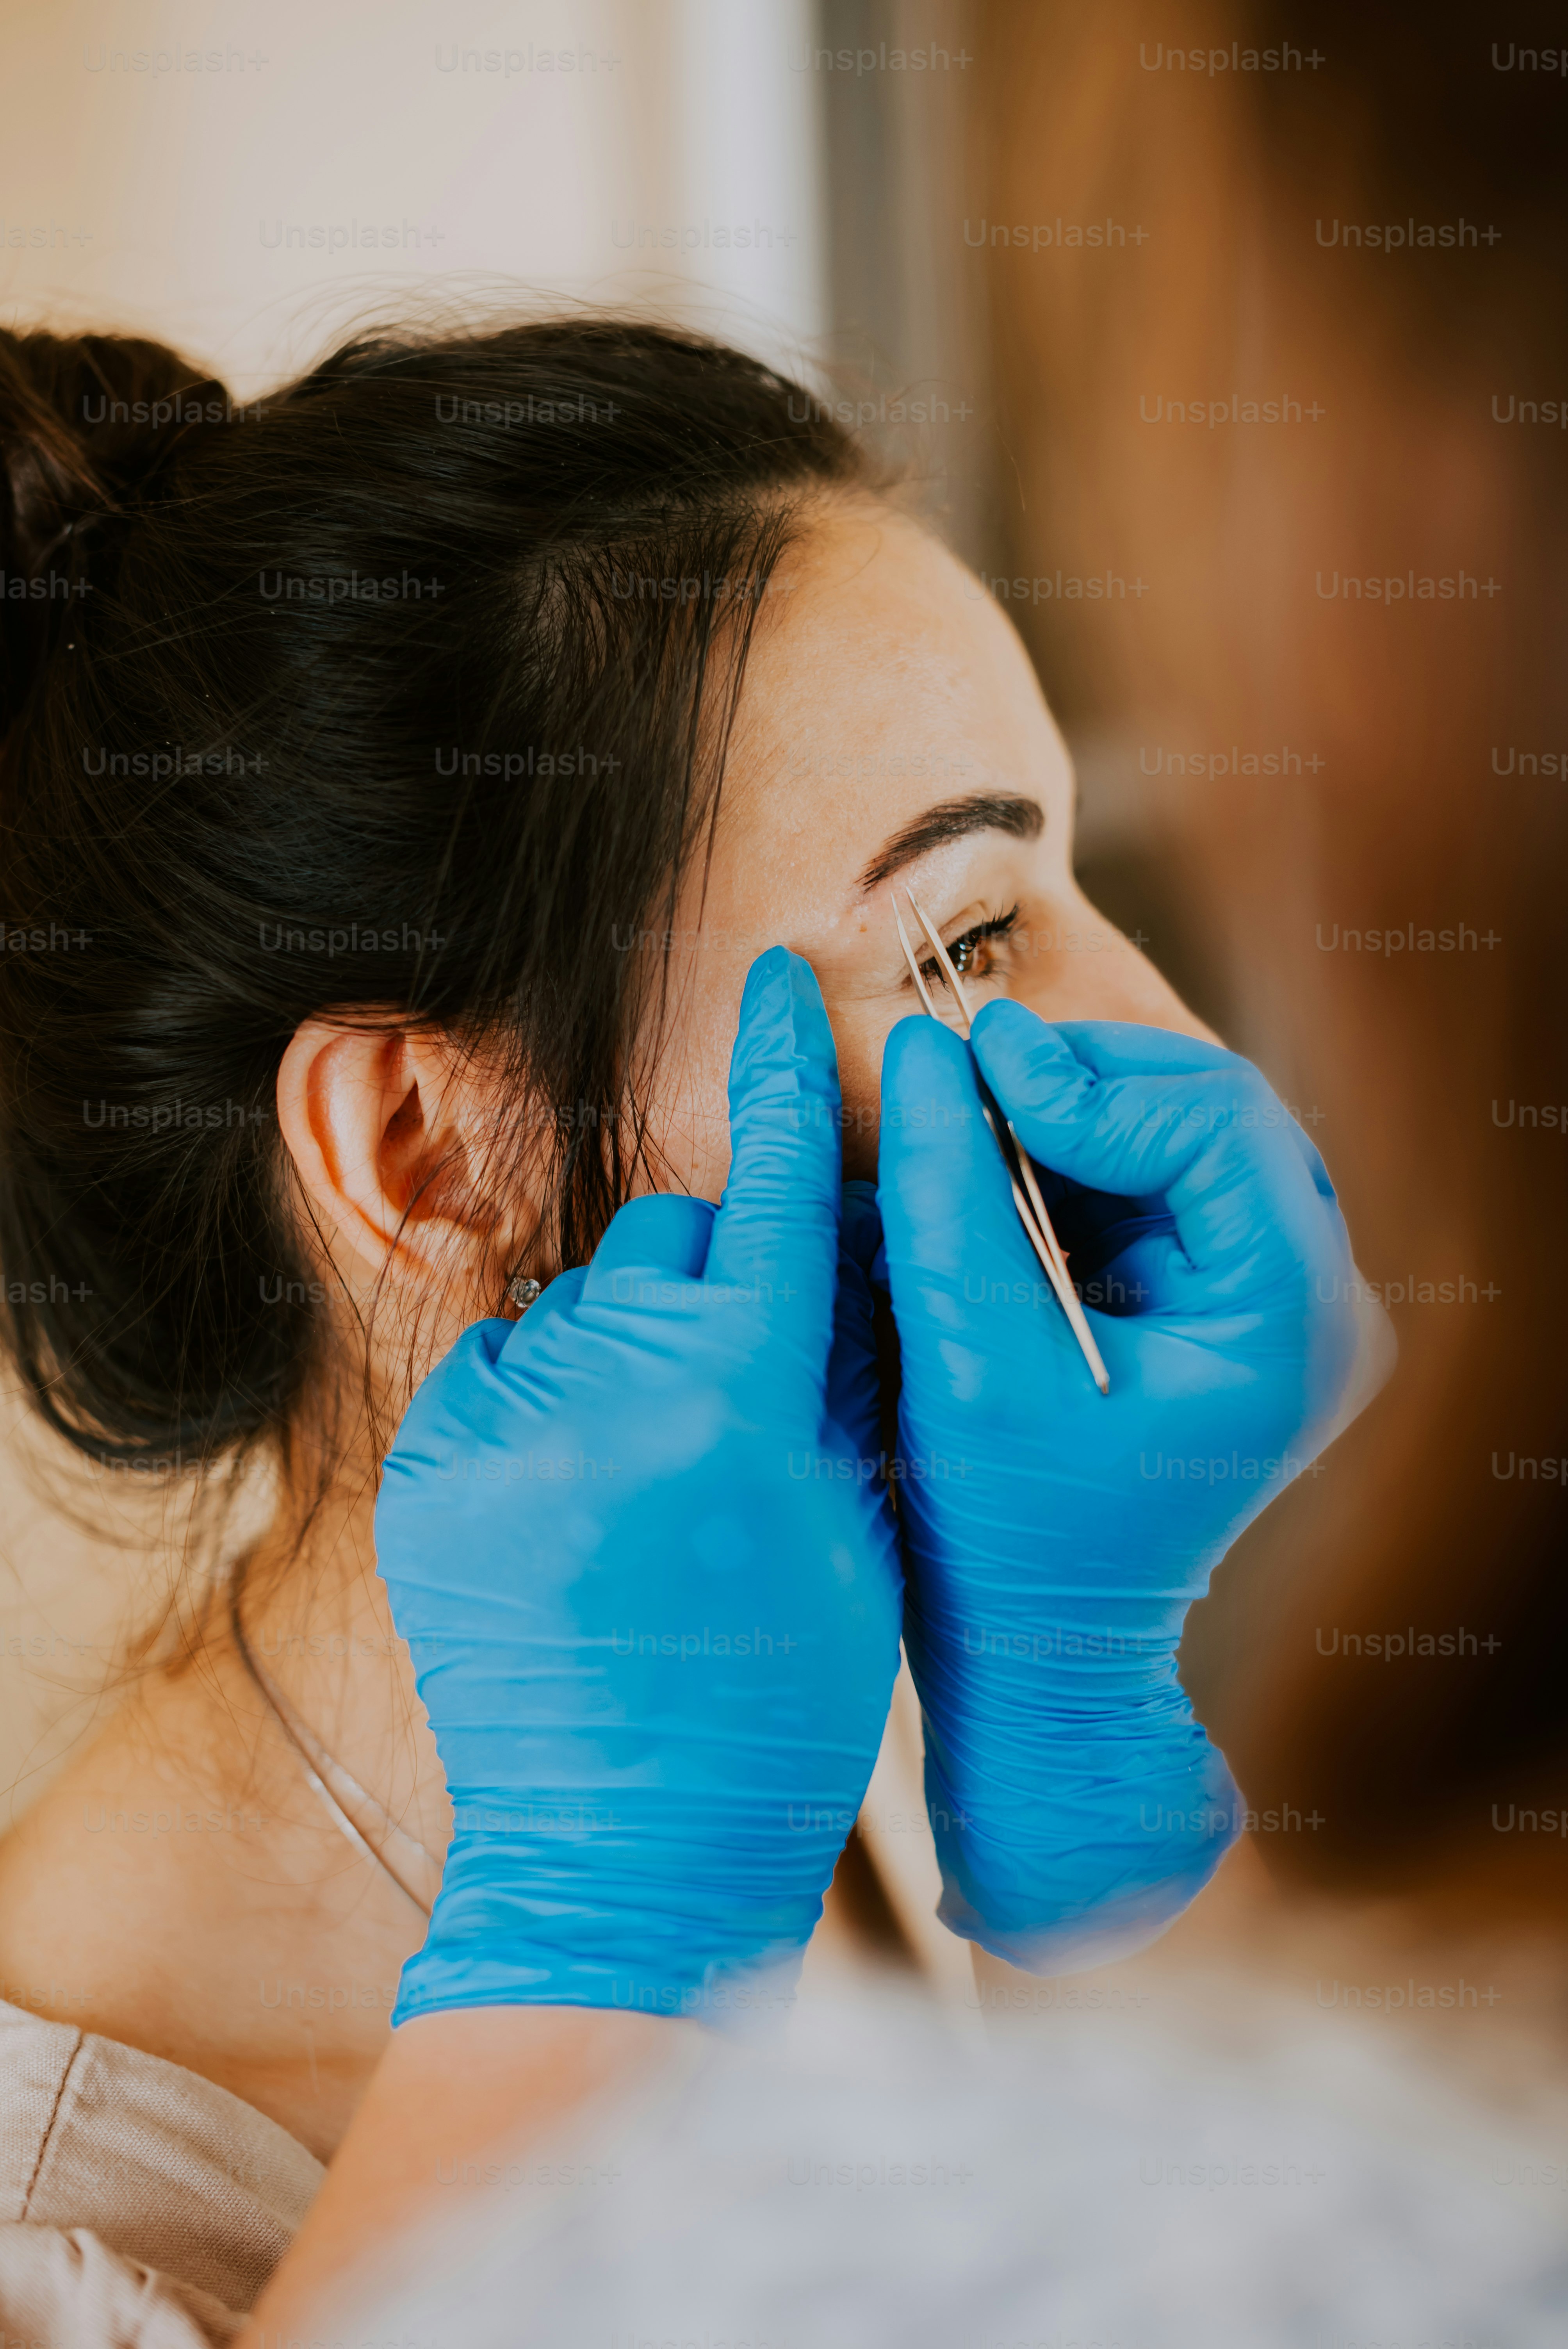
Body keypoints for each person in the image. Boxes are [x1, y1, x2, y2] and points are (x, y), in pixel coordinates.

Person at [0, 317, 1363, 2343]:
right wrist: (610, 1959)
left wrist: (1106, 1813)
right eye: (973, 932)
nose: (1166, 1036)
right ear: (429, 1154)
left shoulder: (870, 1741)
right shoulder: (59, 2244)